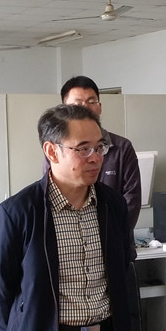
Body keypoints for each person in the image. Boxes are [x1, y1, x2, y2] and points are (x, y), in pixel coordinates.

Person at [0, 104, 144, 331]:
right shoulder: (18, 212)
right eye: (83, 149)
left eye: (100, 147)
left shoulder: (113, 205)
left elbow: (121, 273)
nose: (96, 158)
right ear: (52, 151)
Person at [48, 75, 142, 230]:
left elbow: (132, 200)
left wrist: (110, 235)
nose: (86, 108)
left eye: (91, 102)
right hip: (68, 233)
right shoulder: (58, 149)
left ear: (100, 107)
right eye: (77, 104)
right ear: (64, 109)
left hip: (115, 236)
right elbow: (51, 193)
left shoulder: (122, 147)